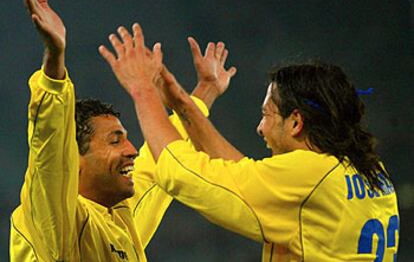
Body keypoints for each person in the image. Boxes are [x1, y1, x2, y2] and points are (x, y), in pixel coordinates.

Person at [99, 24, 400, 261]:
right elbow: (243, 173)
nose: (259, 128)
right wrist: (187, 103)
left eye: (267, 115)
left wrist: (141, 89)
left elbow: (182, 172)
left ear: (296, 122)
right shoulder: (365, 168)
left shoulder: (307, 177)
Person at [11, 0, 236, 261]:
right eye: (115, 140)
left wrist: (206, 90)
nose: (132, 149)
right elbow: (48, 148)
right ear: (73, 158)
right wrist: (55, 60)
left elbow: (158, 163)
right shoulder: (56, 223)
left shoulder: (121, 218)